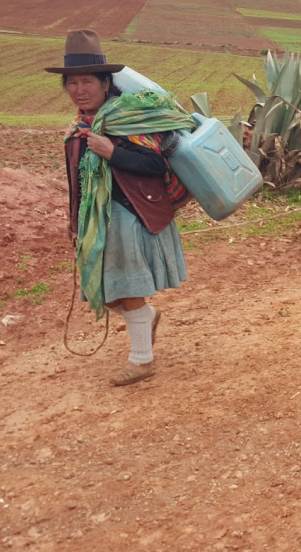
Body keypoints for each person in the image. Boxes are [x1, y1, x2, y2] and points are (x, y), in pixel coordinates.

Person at [46, 29, 189, 386]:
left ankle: (142, 359)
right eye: (72, 83)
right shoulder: (79, 128)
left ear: (106, 82)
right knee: (107, 291)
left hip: (131, 214)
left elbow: (157, 166)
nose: (79, 90)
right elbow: (75, 180)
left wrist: (114, 152)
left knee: (126, 289)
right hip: (97, 221)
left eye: (87, 82)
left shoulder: (127, 119)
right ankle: (148, 320)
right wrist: (74, 221)